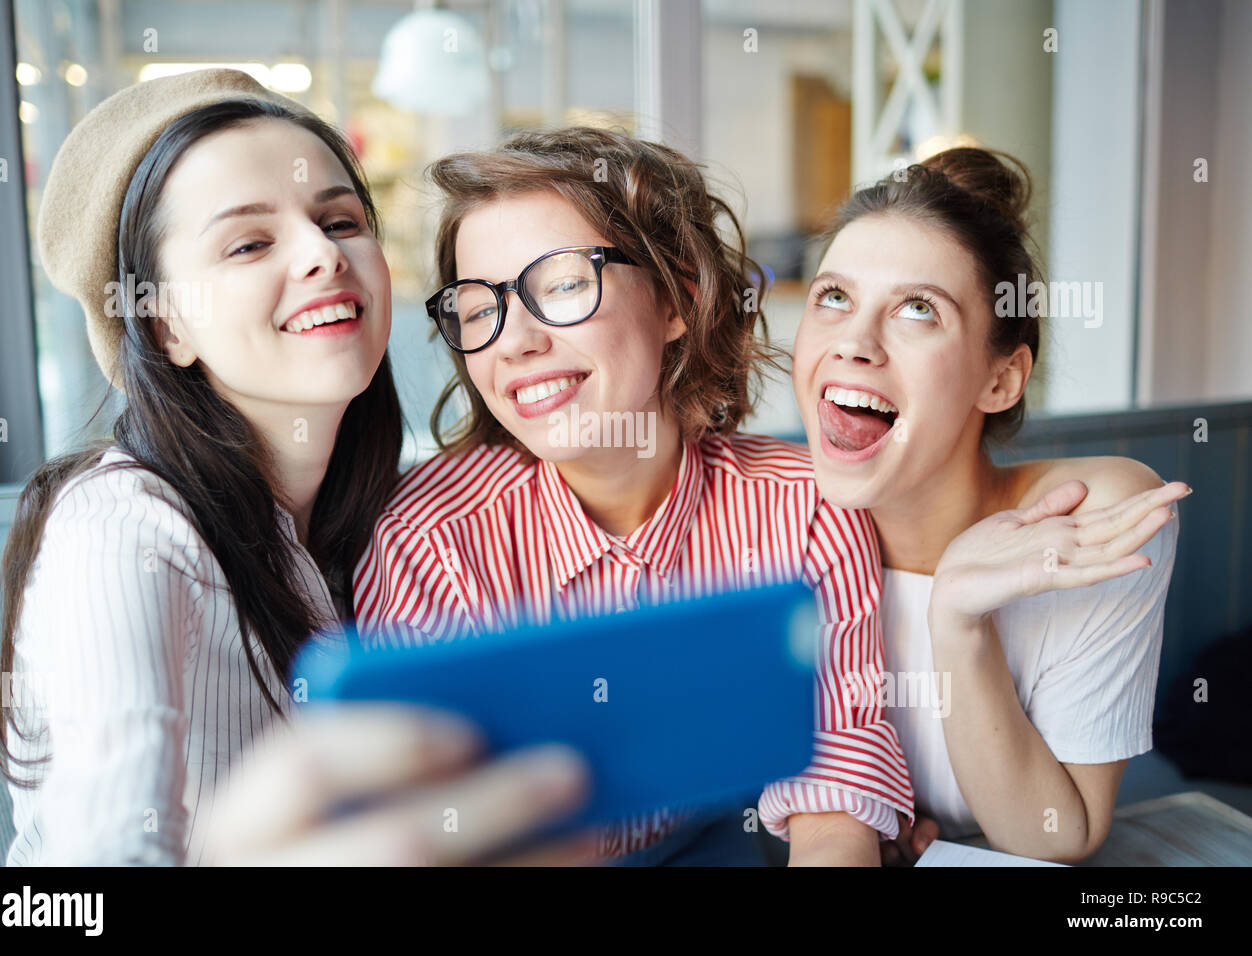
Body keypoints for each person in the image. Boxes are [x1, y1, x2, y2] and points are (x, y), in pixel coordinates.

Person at [0, 69, 589, 867]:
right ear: (165, 325)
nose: (320, 255)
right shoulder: (123, 527)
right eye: (249, 242)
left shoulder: (377, 524)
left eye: (339, 221)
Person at [354, 127, 914, 865]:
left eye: (561, 284)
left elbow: (834, 782)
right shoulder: (430, 540)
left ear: (678, 299)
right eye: (479, 305)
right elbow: (441, 827)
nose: (514, 340)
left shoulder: (805, 511)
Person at [790, 147, 1186, 864]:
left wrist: (959, 621)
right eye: (834, 297)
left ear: (1001, 380)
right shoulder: (764, 509)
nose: (853, 342)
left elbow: (1054, 836)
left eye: (917, 309)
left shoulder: (1088, 518)